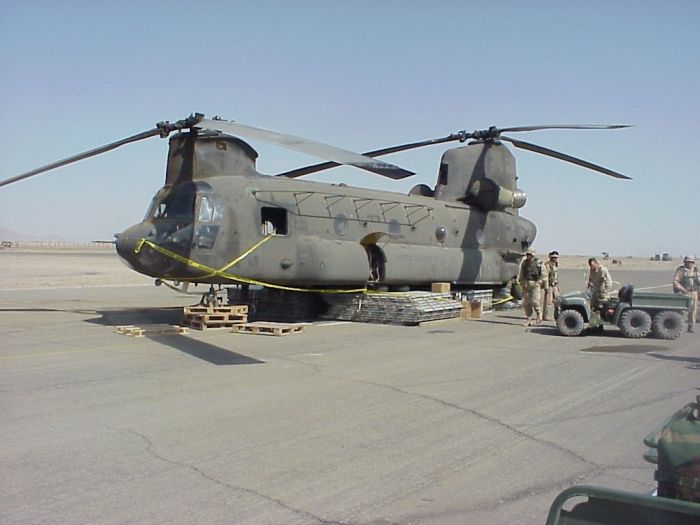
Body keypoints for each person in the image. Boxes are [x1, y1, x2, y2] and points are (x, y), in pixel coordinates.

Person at [673, 255, 699, 333]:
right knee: (681, 311)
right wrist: (682, 289)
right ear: (685, 262)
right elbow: (675, 281)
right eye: (688, 262)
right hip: (684, 292)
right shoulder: (681, 271)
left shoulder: (695, 271)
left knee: (693, 310)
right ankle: (676, 325)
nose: (690, 264)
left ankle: (690, 326)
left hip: (694, 293)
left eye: (691, 262)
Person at [518, 248, 542, 326]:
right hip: (526, 284)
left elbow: (543, 274)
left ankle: (539, 313)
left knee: (535, 301)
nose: (528, 256)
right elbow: (521, 273)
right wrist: (521, 281)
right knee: (526, 302)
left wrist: (540, 282)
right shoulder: (524, 263)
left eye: (529, 254)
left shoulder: (538, 262)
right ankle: (529, 319)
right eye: (527, 254)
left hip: (535, 284)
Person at [541, 251, 559, 321]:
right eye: (554, 257)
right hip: (549, 285)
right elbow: (546, 276)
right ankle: (545, 316)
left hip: (555, 285)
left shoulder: (555, 265)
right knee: (548, 301)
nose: (555, 259)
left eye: (556, 257)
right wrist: (546, 286)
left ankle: (557, 315)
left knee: (558, 300)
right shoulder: (548, 265)